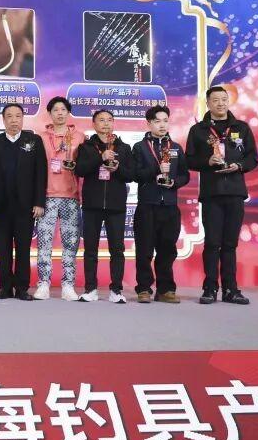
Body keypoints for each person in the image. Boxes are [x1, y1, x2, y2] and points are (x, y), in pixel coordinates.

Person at [185, 85, 258, 305]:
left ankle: (231, 290)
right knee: (212, 243)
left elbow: (252, 158)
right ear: (208, 103)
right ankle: (209, 288)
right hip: (212, 194)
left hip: (235, 192)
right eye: (215, 100)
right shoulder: (198, 130)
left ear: (229, 101)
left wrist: (239, 166)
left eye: (224, 99)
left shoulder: (241, 128)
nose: (220, 103)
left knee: (230, 244)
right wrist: (207, 161)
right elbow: (189, 160)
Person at [0, 103, 47, 301]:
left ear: (22, 119)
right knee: (3, 248)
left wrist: (39, 202)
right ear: (3, 120)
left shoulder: (33, 141)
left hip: (26, 206)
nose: (14, 120)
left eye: (18, 116)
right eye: (10, 116)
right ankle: (5, 287)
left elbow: (41, 173)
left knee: (23, 248)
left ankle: (22, 288)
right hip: (1, 205)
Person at [74, 109, 134, 304]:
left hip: (116, 206)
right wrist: (100, 158)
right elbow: (80, 170)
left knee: (117, 249)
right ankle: (90, 289)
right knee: (90, 249)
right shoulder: (86, 147)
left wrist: (117, 168)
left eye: (109, 120)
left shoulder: (124, 148)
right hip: (92, 205)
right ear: (94, 124)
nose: (106, 123)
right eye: (101, 120)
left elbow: (131, 175)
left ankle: (116, 290)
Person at [132, 105, 190, 303]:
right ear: (149, 123)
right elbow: (135, 174)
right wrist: (155, 172)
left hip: (170, 206)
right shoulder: (139, 147)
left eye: (165, 120)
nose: (162, 125)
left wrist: (174, 182)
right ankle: (144, 289)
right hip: (147, 205)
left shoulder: (176, 148)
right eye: (157, 121)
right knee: (144, 249)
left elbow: (185, 175)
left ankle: (165, 290)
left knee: (167, 249)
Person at [35, 97, 85, 302]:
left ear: (68, 112)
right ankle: (43, 283)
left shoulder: (80, 137)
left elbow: (85, 167)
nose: (60, 113)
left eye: (63, 109)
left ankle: (68, 284)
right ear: (49, 113)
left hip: (70, 197)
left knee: (70, 243)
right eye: (55, 110)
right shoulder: (40, 138)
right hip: (47, 197)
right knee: (44, 242)